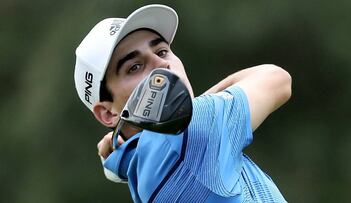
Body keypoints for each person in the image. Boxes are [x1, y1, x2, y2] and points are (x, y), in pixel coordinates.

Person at [74, 4, 292, 203]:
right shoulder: (194, 128)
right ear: (107, 113)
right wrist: (195, 107)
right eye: (134, 67)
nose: (162, 65)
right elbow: (277, 79)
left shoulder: (138, 166)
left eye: (161, 51)